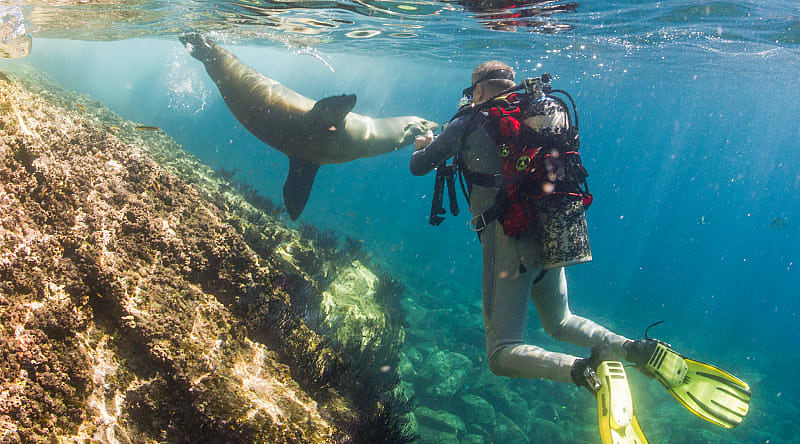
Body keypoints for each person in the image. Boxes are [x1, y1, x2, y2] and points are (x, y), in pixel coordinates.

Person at [409, 61, 751, 440]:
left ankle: (586, 372)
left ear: (477, 89)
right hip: (552, 233)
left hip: (507, 243)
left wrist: (423, 143)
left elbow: (419, 167)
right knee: (561, 322)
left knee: (501, 354)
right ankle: (635, 350)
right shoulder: (538, 112)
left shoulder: (468, 120)